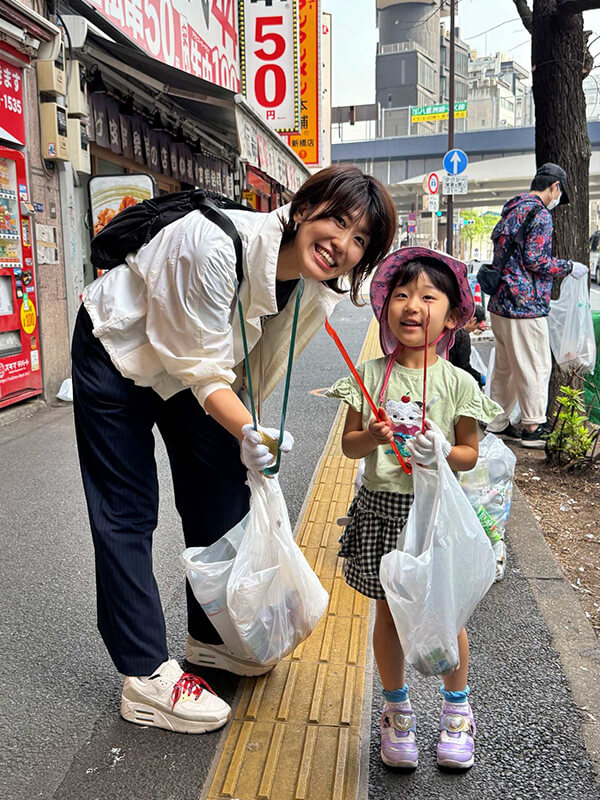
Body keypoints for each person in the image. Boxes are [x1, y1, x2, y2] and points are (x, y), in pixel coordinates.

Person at [71, 165, 397, 735]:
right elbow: (202, 370)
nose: (341, 244)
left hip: (196, 366)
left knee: (222, 486)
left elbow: (249, 370)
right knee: (126, 508)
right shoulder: (211, 245)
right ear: (303, 209)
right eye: (338, 221)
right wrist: (249, 429)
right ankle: (144, 675)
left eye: (360, 239)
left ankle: (212, 638)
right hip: (118, 348)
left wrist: (248, 435)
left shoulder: (313, 290)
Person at [328, 247, 502, 770]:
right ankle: (396, 711)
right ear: (386, 310)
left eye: (428, 297)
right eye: (401, 295)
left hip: (437, 517)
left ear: (451, 317)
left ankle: (456, 711)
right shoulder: (368, 376)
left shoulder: (458, 382)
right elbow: (350, 447)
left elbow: (469, 454)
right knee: (388, 611)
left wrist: (442, 451)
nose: (412, 305)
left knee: (448, 614)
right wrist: (373, 436)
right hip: (382, 511)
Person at [485, 163, 588, 448]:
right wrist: (569, 267)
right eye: (559, 193)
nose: (557, 199)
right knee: (535, 365)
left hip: (500, 303)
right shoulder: (540, 214)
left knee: (506, 368)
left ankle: (497, 422)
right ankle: (532, 426)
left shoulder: (512, 209)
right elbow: (536, 260)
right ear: (555, 187)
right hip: (524, 306)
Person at [448, 304, 486, 387]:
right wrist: (479, 377)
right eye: (477, 326)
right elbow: (463, 366)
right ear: (473, 320)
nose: (474, 330)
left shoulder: (450, 328)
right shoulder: (463, 336)